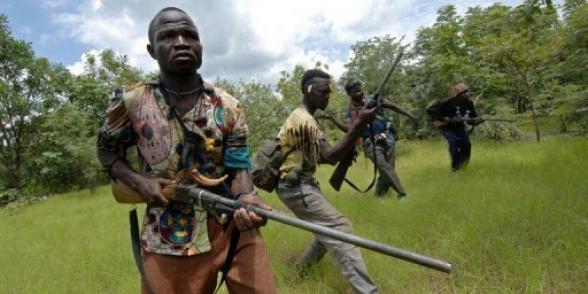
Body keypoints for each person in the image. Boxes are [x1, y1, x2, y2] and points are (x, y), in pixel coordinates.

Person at [96, 7, 276, 293]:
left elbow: (239, 164)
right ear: (152, 50)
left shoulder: (228, 105)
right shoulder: (130, 100)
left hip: (234, 226)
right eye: (168, 36)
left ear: (201, 46)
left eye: (190, 35)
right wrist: (140, 181)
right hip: (170, 237)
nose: (181, 42)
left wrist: (246, 197)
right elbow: (107, 151)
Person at [276, 69, 379, 294]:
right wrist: (359, 124)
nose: (328, 96)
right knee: (339, 227)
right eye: (323, 92)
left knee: (326, 231)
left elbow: (323, 156)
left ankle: (301, 271)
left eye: (329, 92)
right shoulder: (303, 119)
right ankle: (367, 292)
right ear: (308, 90)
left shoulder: (307, 118)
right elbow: (331, 156)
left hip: (300, 184)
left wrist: (347, 149)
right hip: (295, 188)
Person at [321, 80, 419, 199]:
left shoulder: (374, 98)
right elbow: (349, 129)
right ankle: (402, 194)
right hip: (370, 143)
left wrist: (410, 115)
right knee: (384, 167)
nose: (359, 92)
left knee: (388, 170)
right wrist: (333, 119)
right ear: (349, 94)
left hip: (388, 138)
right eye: (355, 91)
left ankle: (379, 196)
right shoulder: (351, 111)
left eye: (360, 89)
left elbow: (393, 106)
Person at [426, 83, 485, 171]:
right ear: (459, 95)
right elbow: (429, 110)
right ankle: (455, 168)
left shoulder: (469, 104)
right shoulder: (445, 102)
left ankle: (463, 167)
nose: (468, 94)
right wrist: (444, 118)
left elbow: (472, 120)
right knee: (454, 142)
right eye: (465, 92)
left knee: (466, 145)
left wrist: (478, 121)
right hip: (446, 127)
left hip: (458, 126)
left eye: (468, 92)